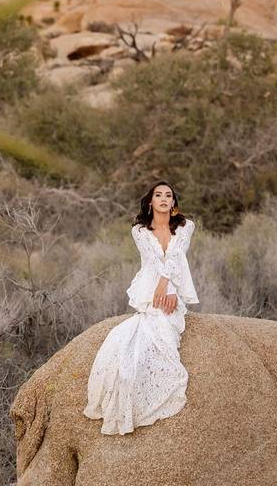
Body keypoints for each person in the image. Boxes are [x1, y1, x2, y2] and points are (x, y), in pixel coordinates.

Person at [82, 180, 198, 435]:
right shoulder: (139, 230)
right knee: (131, 344)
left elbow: (177, 256)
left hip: (172, 287)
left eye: (169, 195)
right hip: (150, 288)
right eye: (158, 195)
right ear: (150, 202)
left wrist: (169, 289)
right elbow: (155, 259)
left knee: (165, 333)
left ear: (174, 203)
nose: (164, 199)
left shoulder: (186, 226)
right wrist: (160, 287)